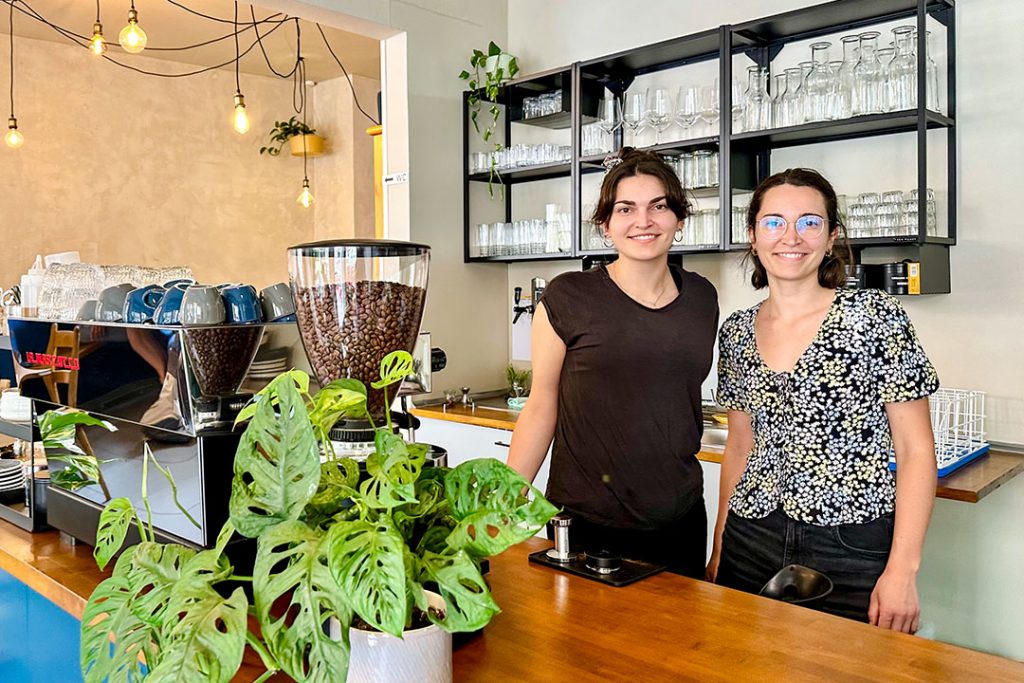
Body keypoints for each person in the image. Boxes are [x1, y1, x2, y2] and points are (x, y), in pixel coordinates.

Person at [707, 168, 938, 631]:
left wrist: (902, 570)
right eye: (774, 222)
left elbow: (915, 450)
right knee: (740, 661)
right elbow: (739, 447)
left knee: (852, 665)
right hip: (750, 538)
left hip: (851, 544)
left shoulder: (875, 317)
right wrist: (719, 548)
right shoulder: (736, 330)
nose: (790, 236)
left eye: (809, 222)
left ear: (831, 237)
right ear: (753, 236)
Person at [507, 147, 719, 578]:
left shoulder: (702, 297)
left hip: (680, 521)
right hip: (586, 525)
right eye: (626, 209)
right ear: (606, 225)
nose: (644, 221)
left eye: (659, 206)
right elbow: (541, 406)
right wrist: (504, 503)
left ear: (679, 219)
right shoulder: (569, 297)